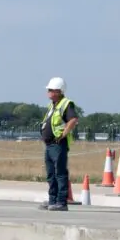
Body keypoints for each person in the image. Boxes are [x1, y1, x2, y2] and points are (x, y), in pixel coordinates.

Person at [40, 77, 78, 209]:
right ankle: (52, 200)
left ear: (59, 91)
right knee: (51, 173)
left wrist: (63, 134)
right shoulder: (52, 106)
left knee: (60, 173)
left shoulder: (66, 104)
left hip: (58, 144)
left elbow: (72, 120)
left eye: (51, 90)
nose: (48, 92)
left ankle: (61, 202)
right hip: (49, 145)